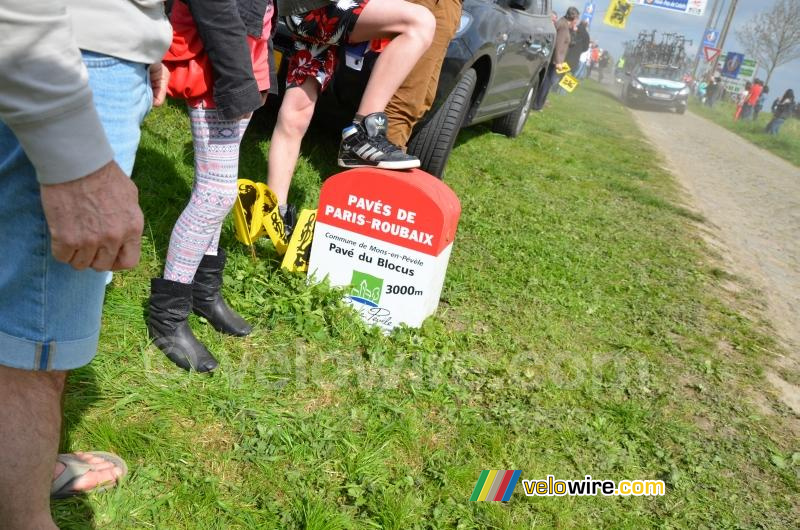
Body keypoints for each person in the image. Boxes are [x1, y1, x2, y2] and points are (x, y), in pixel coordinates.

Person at [0, 0, 170, 526]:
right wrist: (74, 155)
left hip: (59, 48)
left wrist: (136, 34)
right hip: (55, 62)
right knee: (29, 354)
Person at [147, 0, 277, 373]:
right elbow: (215, 10)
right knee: (215, 195)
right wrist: (238, 81)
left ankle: (204, 294)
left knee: (221, 190)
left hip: (245, 58)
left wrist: (261, 71)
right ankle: (167, 317)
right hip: (219, 64)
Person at [265, 0, 436, 233]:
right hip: (319, 7)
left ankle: (274, 216)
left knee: (297, 112)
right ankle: (362, 133)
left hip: (300, 10)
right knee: (419, 23)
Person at [385, 0, 463, 153]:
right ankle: (381, 152)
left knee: (424, 97)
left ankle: (387, 149)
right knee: (407, 91)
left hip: (452, 5)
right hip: (433, 4)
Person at [532, 6, 579, 111]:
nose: (577, 21)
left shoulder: (565, 25)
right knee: (547, 82)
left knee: (549, 82)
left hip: (556, 59)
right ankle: (537, 104)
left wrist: (574, 31)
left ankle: (539, 103)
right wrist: (558, 61)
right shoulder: (563, 25)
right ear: (573, 17)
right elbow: (558, 44)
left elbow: (570, 43)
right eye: (576, 18)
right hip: (555, 59)